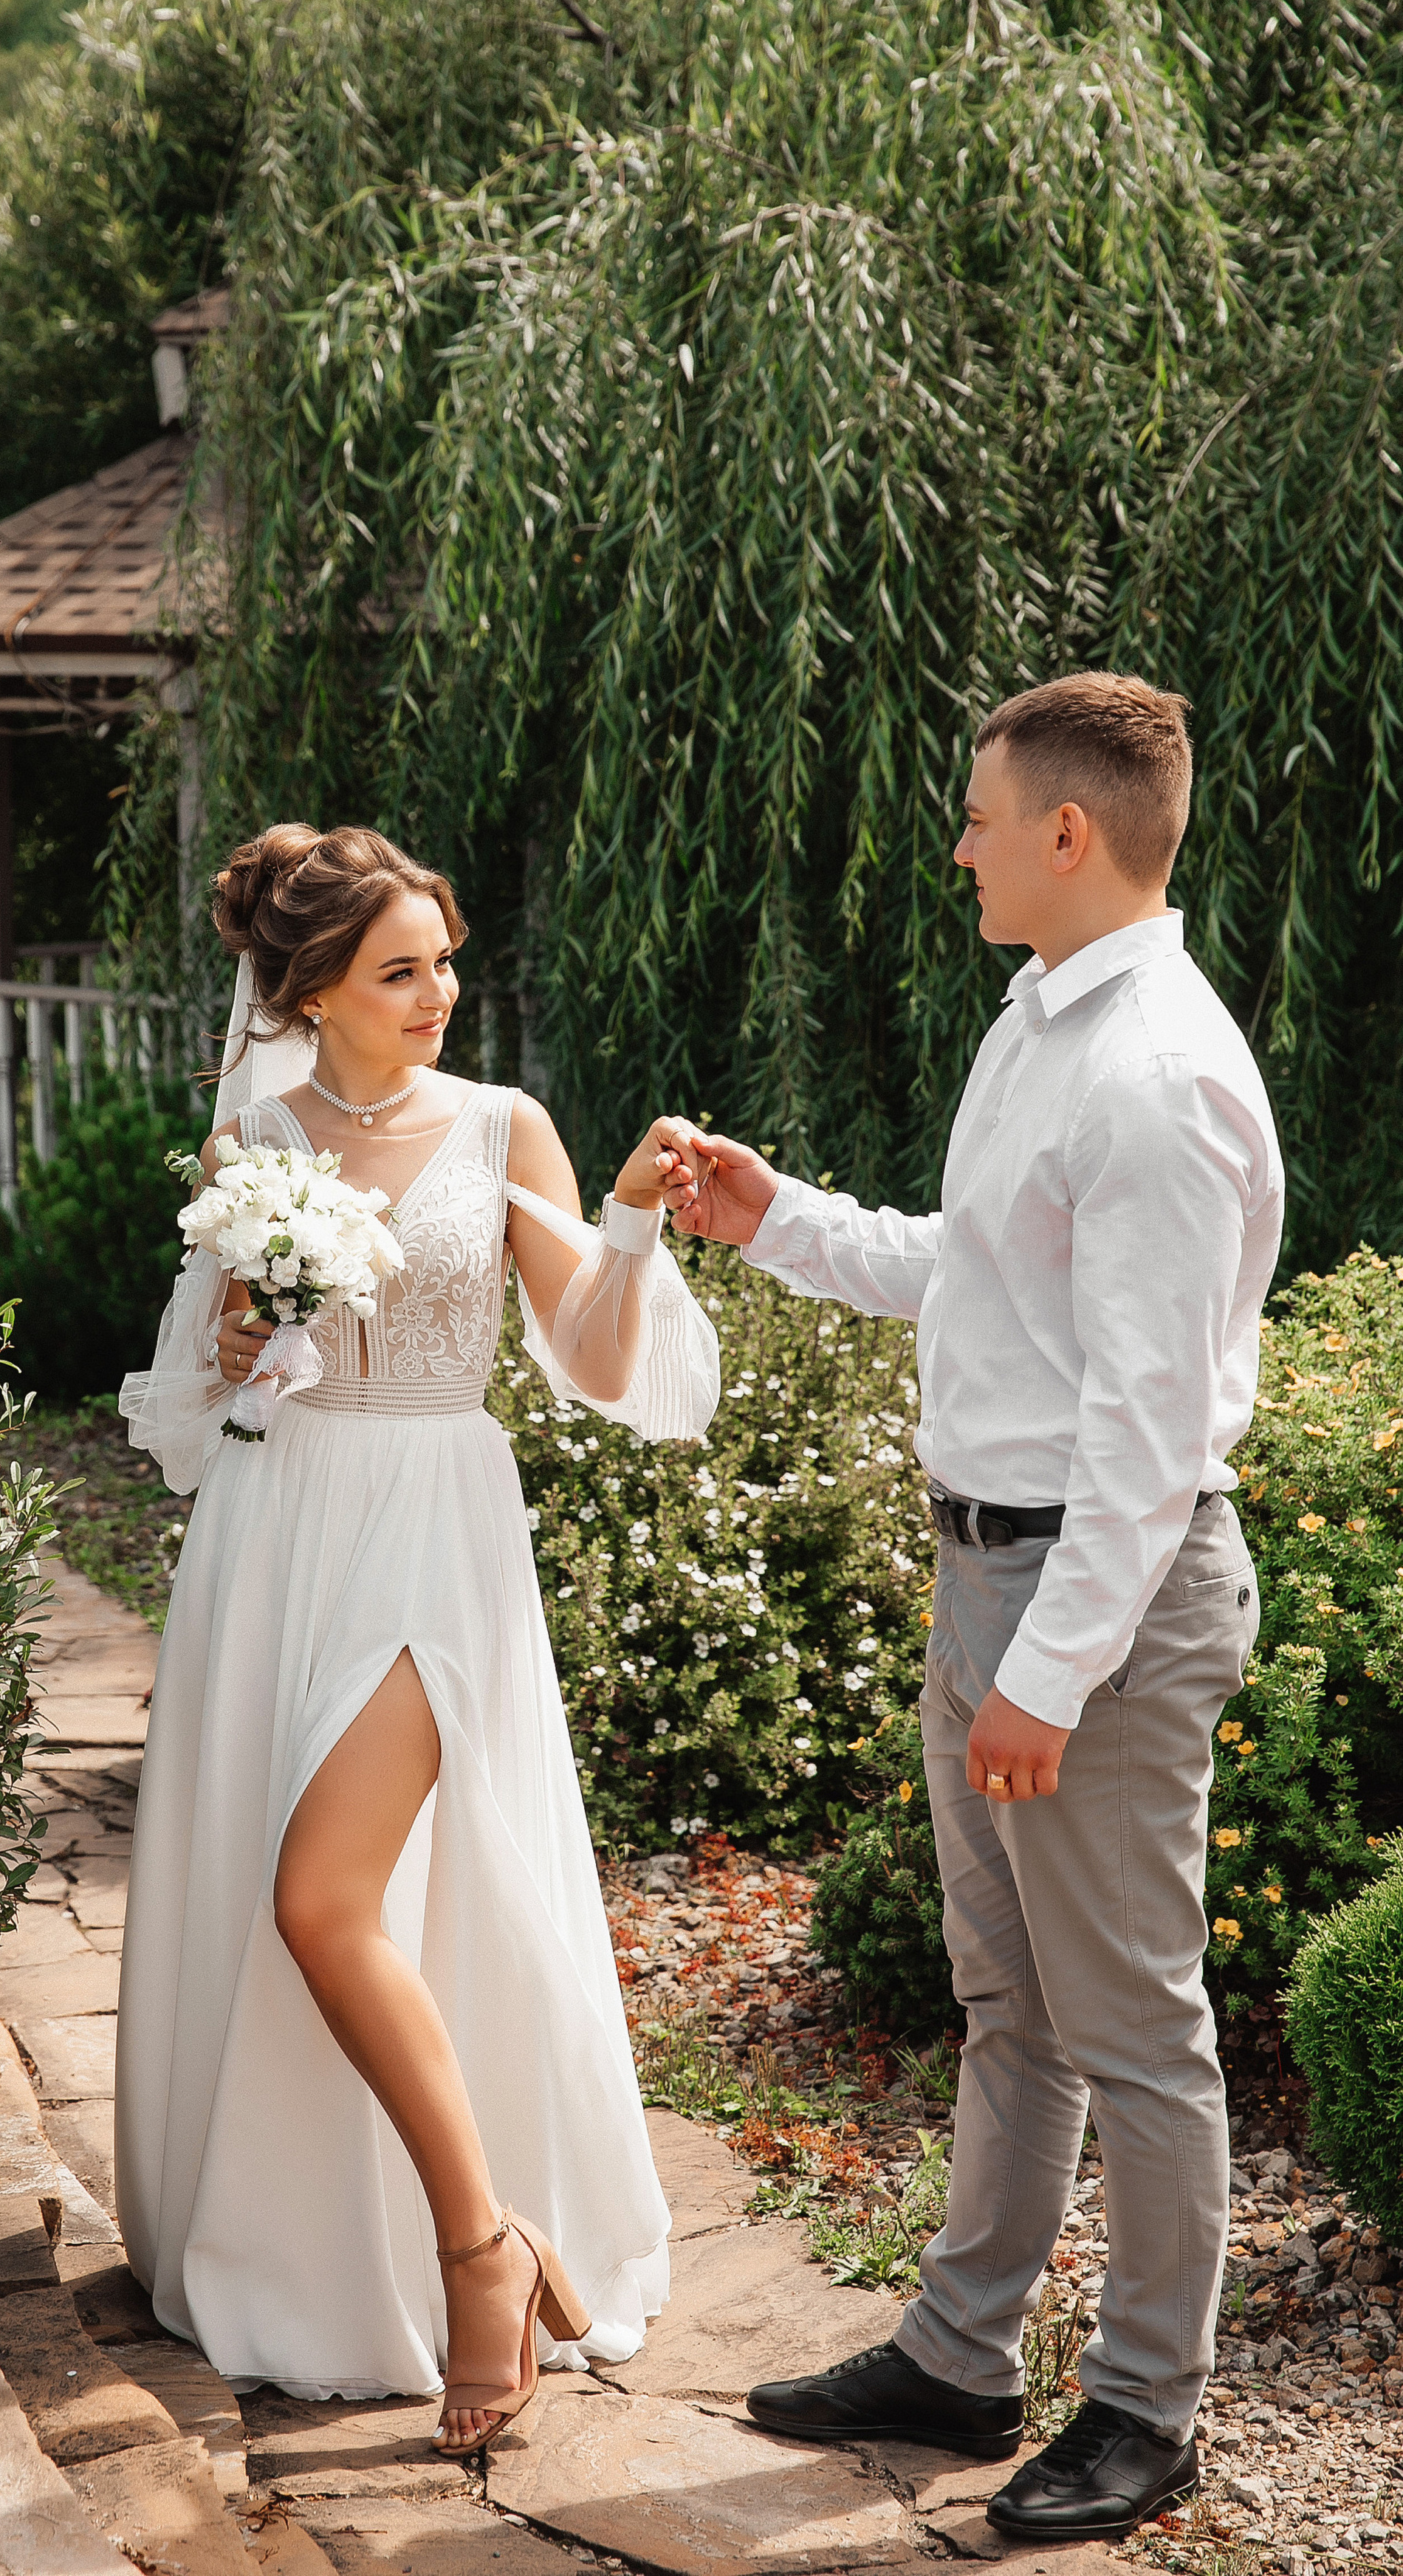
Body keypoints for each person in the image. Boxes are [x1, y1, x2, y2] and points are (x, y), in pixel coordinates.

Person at [658, 675, 1284, 2541]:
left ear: (1068, 833)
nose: (958, 842)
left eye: (979, 813)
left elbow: (1149, 1434)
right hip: (986, 1572)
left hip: (1094, 1596)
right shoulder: (1039, 1022)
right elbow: (979, 1278)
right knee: (1009, 2001)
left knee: (1134, 2027)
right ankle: (956, 2357)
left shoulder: (1155, 1075)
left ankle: (1148, 2411)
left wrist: (1049, 1667)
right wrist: (774, 1219)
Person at [115, 822, 720, 2453]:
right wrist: (244, 1334)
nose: (440, 990)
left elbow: (592, 1357)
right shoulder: (252, 1130)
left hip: (431, 1525)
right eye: (403, 968)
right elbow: (203, 1384)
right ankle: (351, 2240)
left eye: (445, 958)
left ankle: (477, 2243)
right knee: (301, 1894)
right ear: (310, 991)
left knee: (323, 1899)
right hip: (276, 1526)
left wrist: (631, 1217)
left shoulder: (497, 1122)